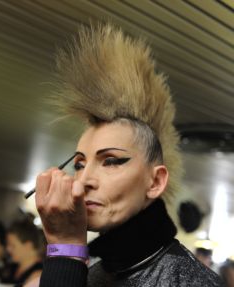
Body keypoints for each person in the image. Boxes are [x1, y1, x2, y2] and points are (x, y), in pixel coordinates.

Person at [34, 24, 222, 286]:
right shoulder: (93, 271)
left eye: (110, 161)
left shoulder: (189, 281)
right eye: (79, 164)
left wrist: (65, 249)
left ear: (155, 182)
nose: (83, 181)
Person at [2, 219, 43, 287]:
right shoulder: (11, 267)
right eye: (7, 245)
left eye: (12, 245)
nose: (8, 249)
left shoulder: (39, 275)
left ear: (28, 246)